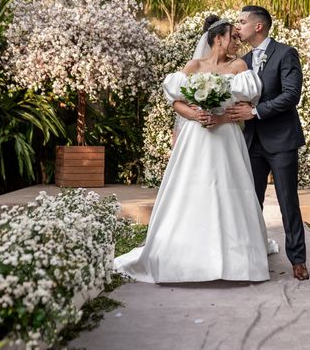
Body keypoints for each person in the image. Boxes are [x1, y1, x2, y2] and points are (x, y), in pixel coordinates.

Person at [114, 15, 271, 283]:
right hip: (196, 137)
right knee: (192, 188)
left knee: (228, 188)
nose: (237, 41)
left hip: (226, 136)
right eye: (232, 36)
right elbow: (176, 102)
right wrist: (195, 116)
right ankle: (187, 254)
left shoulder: (239, 66)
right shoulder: (194, 65)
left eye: (237, 36)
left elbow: (244, 105)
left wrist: (220, 117)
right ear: (217, 38)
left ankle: (236, 259)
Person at [227, 5, 309, 281]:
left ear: (258, 26)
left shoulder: (286, 53)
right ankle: (250, 257)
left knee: (288, 201)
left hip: (282, 140)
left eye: (241, 22)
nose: (237, 26)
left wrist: (256, 112)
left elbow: (291, 95)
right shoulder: (243, 60)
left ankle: (298, 260)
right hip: (252, 142)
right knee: (251, 201)